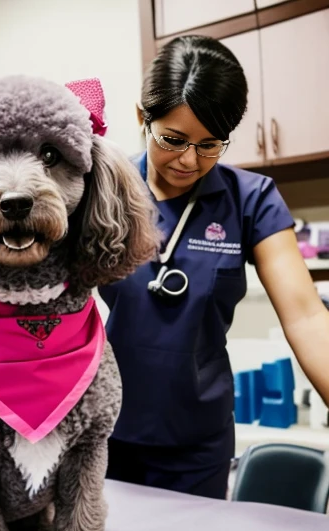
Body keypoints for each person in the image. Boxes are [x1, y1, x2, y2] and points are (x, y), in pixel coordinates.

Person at [99, 34, 329, 500]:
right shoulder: (104, 188)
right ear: (142, 118)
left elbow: (306, 317)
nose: (189, 160)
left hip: (198, 444)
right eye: (174, 140)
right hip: (104, 429)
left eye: (210, 145)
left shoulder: (251, 200)